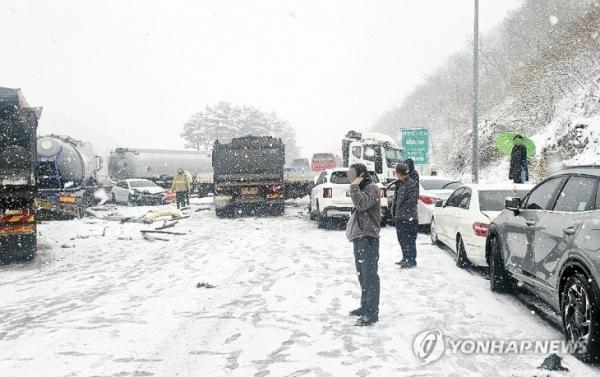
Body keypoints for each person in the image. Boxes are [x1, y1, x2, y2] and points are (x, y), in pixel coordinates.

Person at [346, 163, 381, 327]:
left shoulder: (372, 188)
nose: (350, 177)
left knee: (370, 275)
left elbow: (361, 204)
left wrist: (354, 187)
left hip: (368, 237)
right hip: (359, 236)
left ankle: (371, 313)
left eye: (353, 174)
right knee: (362, 274)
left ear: (361, 175)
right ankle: (365, 306)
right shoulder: (361, 188)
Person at [392, 163, 419, 268]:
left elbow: (413, 200)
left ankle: (411, 260)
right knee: (401, 239)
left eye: (396, 172)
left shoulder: (410, 183)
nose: (395, 174)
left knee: (409, 240)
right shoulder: (400, 183)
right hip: (400, 217)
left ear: (400, 172)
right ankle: (405, 257)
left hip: (408, 218)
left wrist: (402, 210)